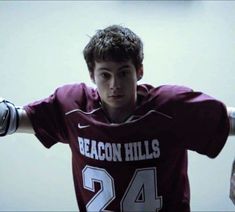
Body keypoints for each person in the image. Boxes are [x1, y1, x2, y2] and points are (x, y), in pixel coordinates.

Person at [0, 25, 235, 212]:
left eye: (124, 73)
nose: (115, 85)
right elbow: (11, 119)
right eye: (105, 75)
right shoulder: (73, 107)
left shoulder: (169, 107)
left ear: (139, 71)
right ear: (92, 74)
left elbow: (228, 120)